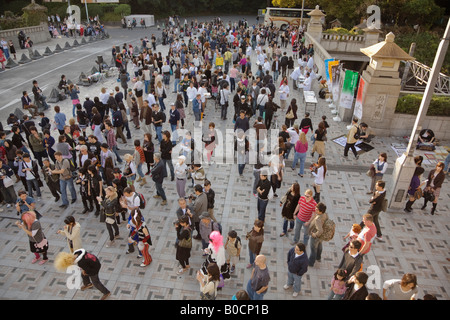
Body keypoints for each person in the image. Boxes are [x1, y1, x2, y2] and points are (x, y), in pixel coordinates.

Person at [308, 202, 328, 267]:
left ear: (321, 211)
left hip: (316, 236)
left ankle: (311, 262)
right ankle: (318, 258)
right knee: (319, 246)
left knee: (313, 249)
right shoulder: (325, 214)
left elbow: (320, 230)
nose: (315, 209)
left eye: (317, 209)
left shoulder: (318, 219)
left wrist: (315, 235)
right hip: (321, 236)